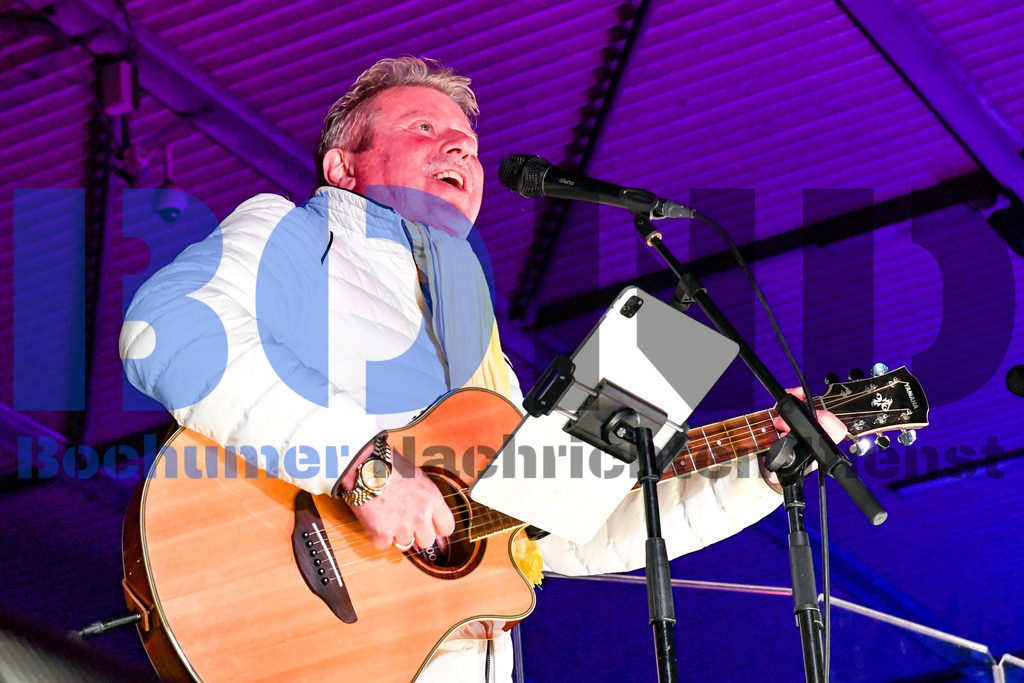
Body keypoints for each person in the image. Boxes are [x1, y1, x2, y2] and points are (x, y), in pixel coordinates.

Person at [120, 56, 845, 682]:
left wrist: (761, 467)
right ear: (344, 166)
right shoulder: (294, 233)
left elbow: (559, 532)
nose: (460, 151)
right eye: (425, 131)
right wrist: (359, 466)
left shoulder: (474, 331)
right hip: (320, 637)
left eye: (467, 144)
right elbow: (164, 333)